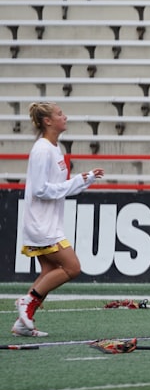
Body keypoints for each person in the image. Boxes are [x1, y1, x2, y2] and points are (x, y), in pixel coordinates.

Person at [11, 103, 104, 337]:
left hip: (48, 221)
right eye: (60, 114)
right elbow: (42, 190)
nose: (65, 117)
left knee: (49, 272)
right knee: (72, 267)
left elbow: (59, 188)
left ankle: (23, 322)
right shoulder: (42, 150)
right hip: (42, 224)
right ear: (48, 121)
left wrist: (85, 180)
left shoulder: (54, 148)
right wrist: (77, 181)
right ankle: (27, 301)